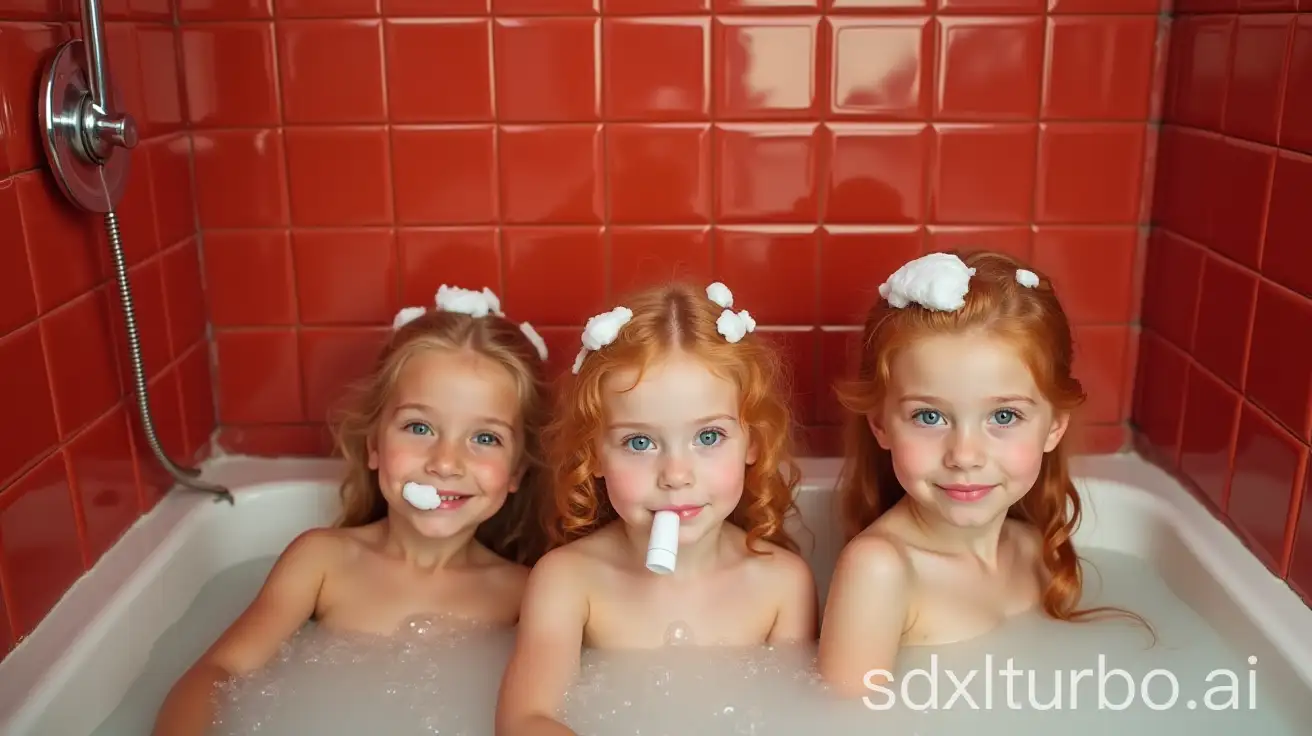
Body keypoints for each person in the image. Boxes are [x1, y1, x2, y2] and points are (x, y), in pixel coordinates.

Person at [153, 285, 552, 735]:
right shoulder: (322, 561)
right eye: (418, 427)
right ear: (374, 446)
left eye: (485, 438)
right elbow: (218, 673)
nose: (444, 462)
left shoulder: (525, 594)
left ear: (517, 470)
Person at [494, 281, 817, 736]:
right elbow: (524, 719)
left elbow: (795, 721)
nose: (675, 474)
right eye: (639, 442)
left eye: (708, 437)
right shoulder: (569, 579)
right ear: (596, 456)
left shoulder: (781, 584)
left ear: (753, 443)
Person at [816, 251, 1145, 697]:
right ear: (880, 424)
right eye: (929, 417)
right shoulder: (880, 571)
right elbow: (840, 722)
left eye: (1004, 416)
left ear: (1054, 426)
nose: (965, 455)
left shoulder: (1034, 551)